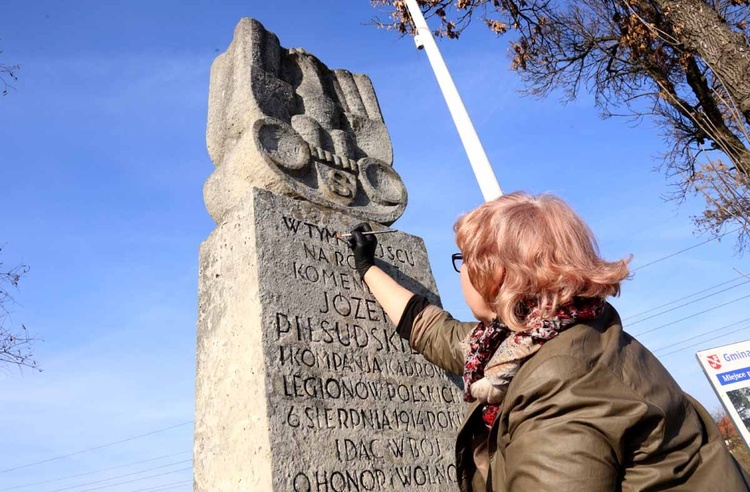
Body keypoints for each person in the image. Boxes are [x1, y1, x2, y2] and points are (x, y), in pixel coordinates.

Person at [347, 191, 749, 492]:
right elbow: (439, 333)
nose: (460, 272)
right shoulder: (555, 338)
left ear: (495, 274)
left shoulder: (562, 383)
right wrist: (368, 268)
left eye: (463, 260)